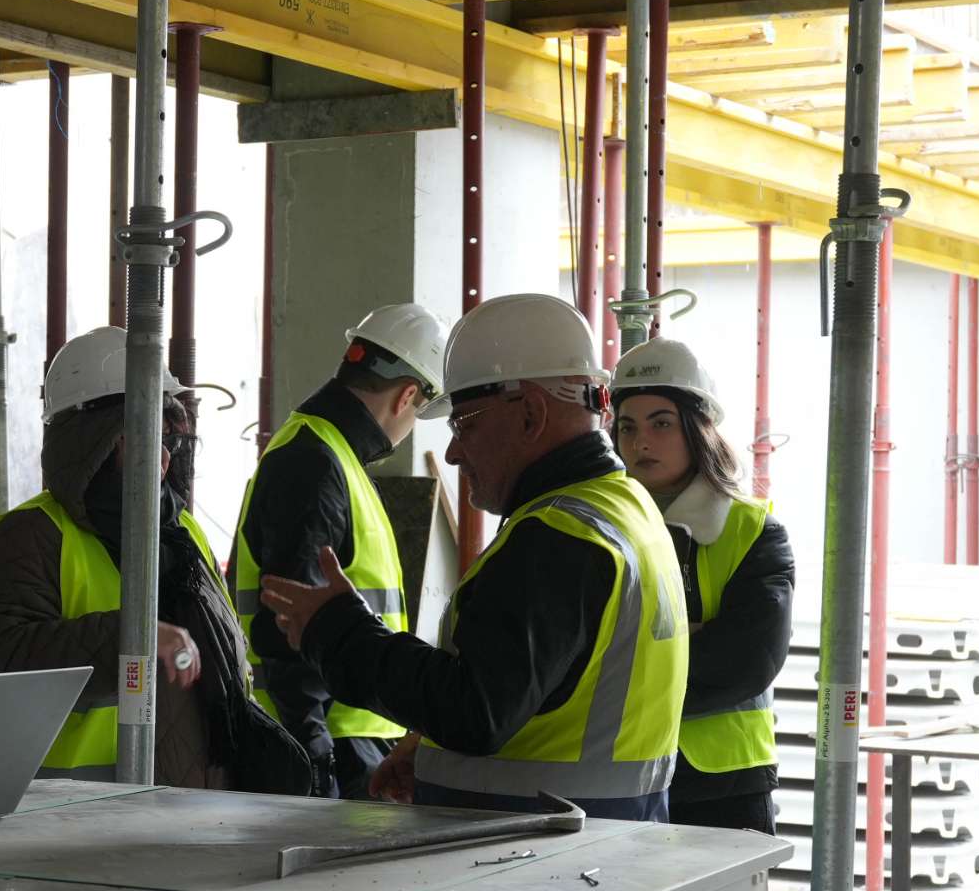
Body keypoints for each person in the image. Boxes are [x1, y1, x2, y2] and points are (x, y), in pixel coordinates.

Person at [260, 292, 685, 823]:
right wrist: (437, 748)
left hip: (534, 863)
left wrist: (338, 632)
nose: (456, 452)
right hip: (594, 845)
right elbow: (534, 696)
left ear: (530, 413)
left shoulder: (557, 535)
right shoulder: (625, 509)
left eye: (466, 424)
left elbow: (476, 711)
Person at [0, 325, 308, 789]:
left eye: (167, 437)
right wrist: (132, 640)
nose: (163, 458)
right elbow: (3, 656)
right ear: (93, 443)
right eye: (141, 437)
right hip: (72, 815)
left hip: (194, 813)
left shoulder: (181, 531)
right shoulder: (31, 536)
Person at [230, 303, 445, 797]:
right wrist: (314, 751)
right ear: (408, 395)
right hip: (334, 741)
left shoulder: (328, 455)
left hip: (345, 734)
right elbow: (288, 618)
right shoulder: (313, 461)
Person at [611, 334, 795, 839]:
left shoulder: (751, 531)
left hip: (723, 780)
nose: (640, 441)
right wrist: (686, 639)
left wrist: (621, 671)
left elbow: (745, 660)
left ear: (699, 429)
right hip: (615, 770)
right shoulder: (598, 525)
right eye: (627, 426)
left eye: (661, 423)